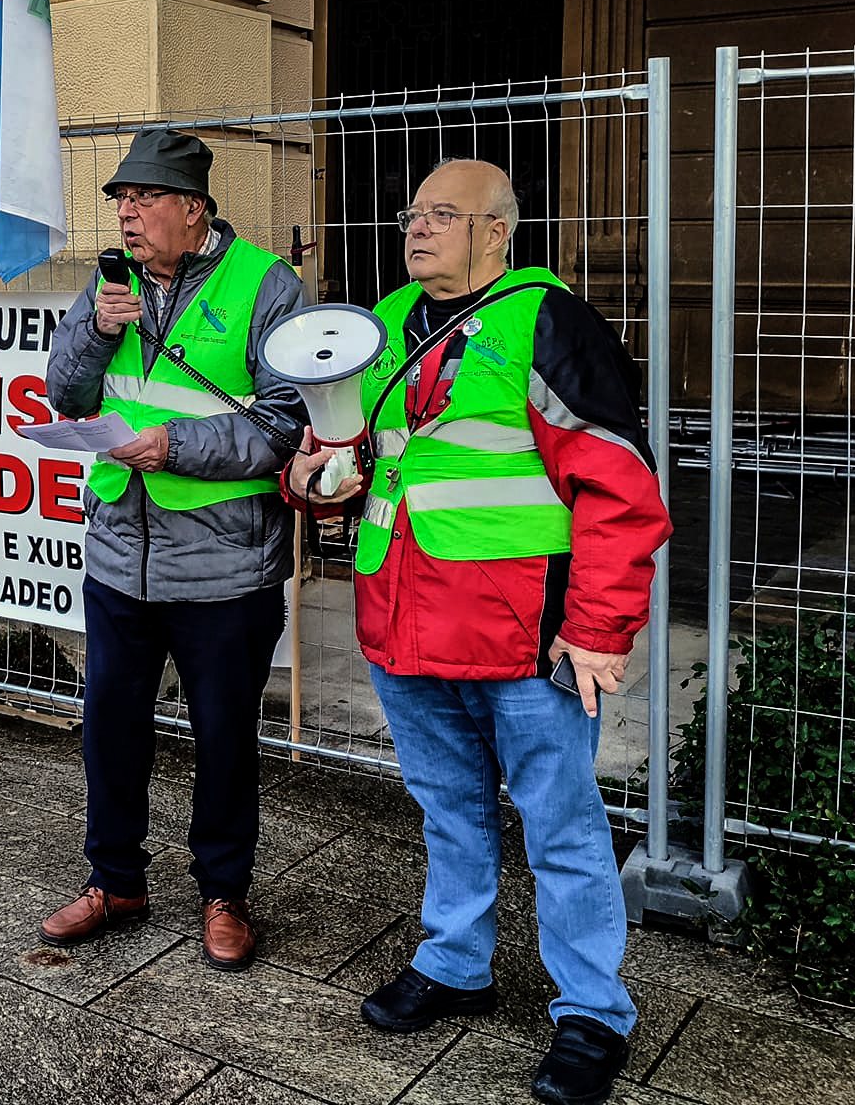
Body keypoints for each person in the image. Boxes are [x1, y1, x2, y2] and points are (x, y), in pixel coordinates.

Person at [285, 158, 670, 1105]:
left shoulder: (548, 323)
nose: (417, 230)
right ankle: (456, 965)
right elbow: (369, 456)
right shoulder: (382, 324)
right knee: (448, 812)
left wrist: (601, 627)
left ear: (498, 232)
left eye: (443, 215)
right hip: (403, 623)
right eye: (413, 213)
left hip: (524, 638)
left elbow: (622, 491)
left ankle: (591, 1015)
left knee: (563, 828)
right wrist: (322, 477)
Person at [40, 127, 307, 970]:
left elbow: (286, 423)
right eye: (121, 199)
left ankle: (224, 892)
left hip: (225, 566)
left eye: (145, 197)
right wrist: (93, 330)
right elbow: (65, 390)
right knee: (109, 728)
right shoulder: (109, 285)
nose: (127, 213)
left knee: (224, 736)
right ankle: (114, 881)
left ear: (193, 209)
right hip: (121, 553)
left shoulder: (267, 285)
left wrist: (173, 448)